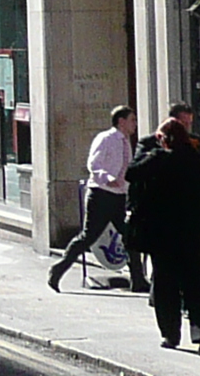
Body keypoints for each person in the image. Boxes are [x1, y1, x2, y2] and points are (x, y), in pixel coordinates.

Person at [126, 111, 200, 352]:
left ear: (164, 140)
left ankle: (170, 334)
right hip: (195, 231)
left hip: (163, 232)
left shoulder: (157, 160)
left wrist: (156, 151)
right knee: (196, 285)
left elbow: (130, 174)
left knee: (165, 284)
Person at [48, 105, 140, 293]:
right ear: (121, 121)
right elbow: (94, 164)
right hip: (101, 195)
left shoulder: (126, 142)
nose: (135, 124)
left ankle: (138, 279)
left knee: (131, 236)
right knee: (88, 236)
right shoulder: (106, 139)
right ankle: (58, 269)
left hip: (119, 197)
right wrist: (108, 178)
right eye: (132, 120)